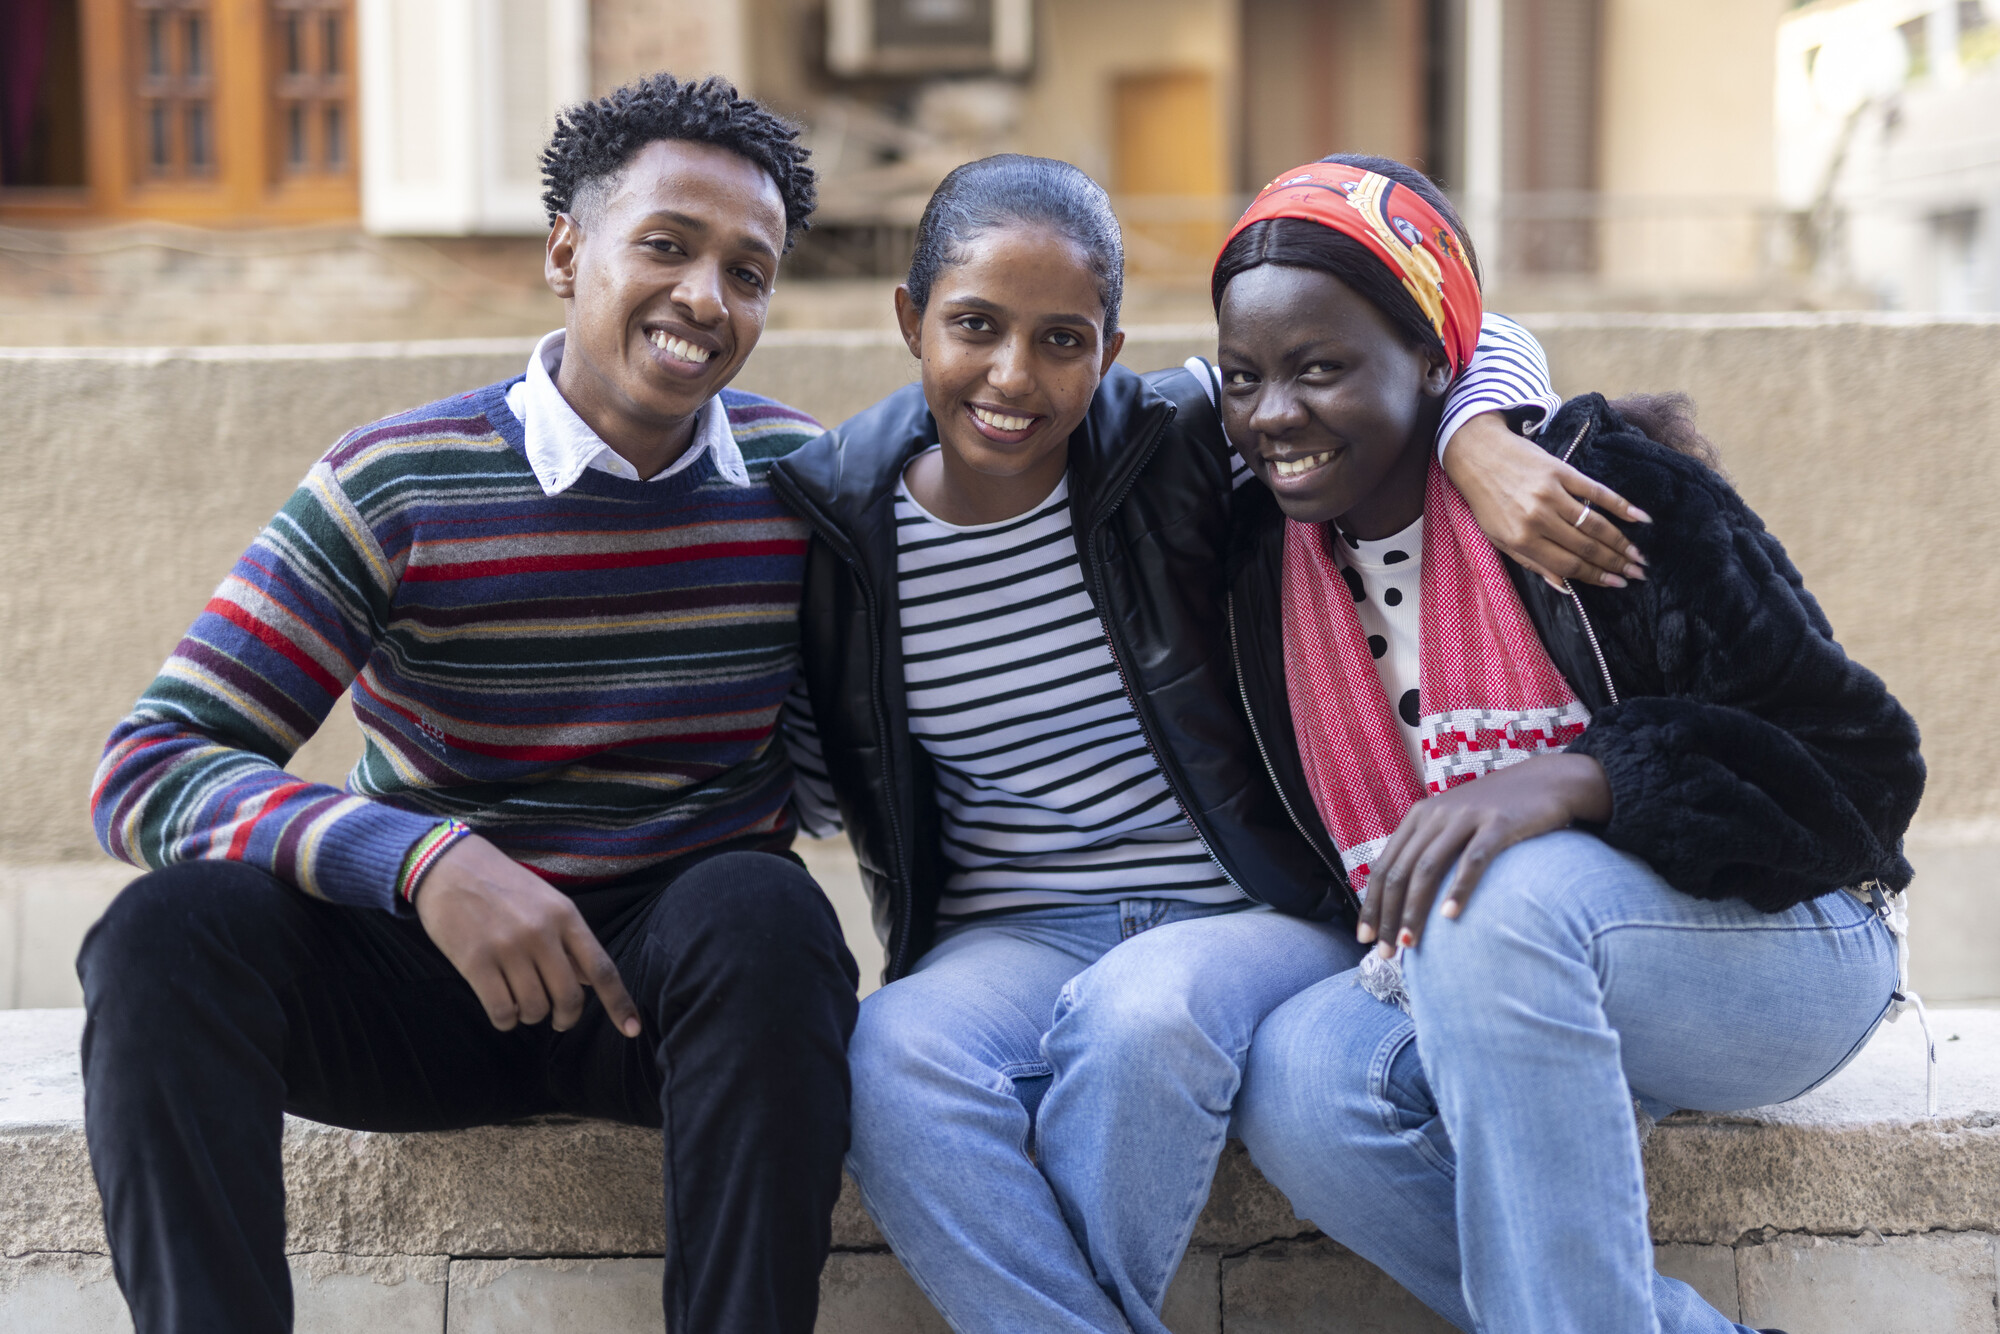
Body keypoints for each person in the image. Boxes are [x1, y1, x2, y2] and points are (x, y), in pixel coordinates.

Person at [771, 153, 1654, 1334]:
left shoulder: (1184, 437)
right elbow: (817, 786)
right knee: (885, 1054)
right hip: (1004, 933)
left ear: (1112, 341)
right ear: (908, 319)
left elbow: (1455, 323)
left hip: (1238, 913)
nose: (1011, 376)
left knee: (1145, 1013)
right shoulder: (839, 521)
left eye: (1062, 339)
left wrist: (1473, 434)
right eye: (973, 326)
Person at [79, 74, 858, 1334]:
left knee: (764, 907)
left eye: (748, 270)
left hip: (668, 1001)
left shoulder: (802, 485)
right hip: (417, 976)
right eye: (665, 244)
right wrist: (422, 859)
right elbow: (150, 763)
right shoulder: (399, 478)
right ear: (567, 251)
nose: (707, 298)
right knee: (160, 937)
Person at [1212, 155, 1925, 1334]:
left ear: (1435, 364)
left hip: (1778, 946)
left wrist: (1584, 775)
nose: (1273, 413)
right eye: (1246, 378)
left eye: (1322, 368)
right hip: (1472, 975)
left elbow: (1862, 769)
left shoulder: (1589, 488)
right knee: (1299, 1077)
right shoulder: (1250, 552)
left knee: (1493, 892)